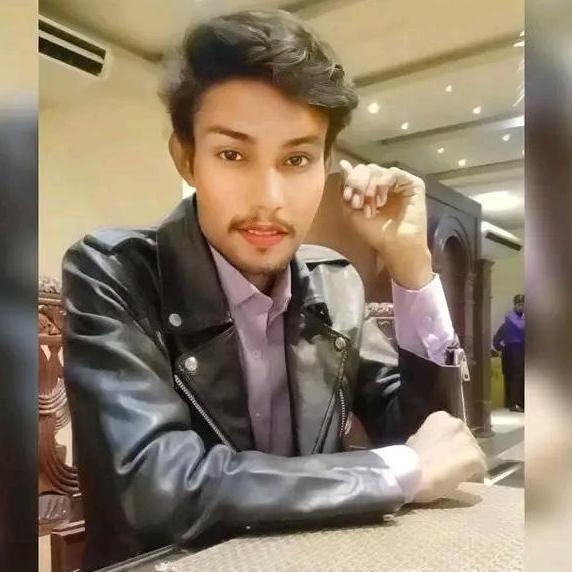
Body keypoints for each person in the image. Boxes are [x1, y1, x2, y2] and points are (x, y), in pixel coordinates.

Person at [62, 10, 486, 570]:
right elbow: (154, 488)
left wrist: (411, 266)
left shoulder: (334, 282)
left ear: (326, 165)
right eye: (232, 154)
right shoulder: (114, 272)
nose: (269, 197)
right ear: (186, 158)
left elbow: (433, 442)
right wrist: (396, 471)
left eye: (297, 159)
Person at [493, 294, 525, 412]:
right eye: (519, 304)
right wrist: (503, 348)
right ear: (515, 305)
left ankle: (517, 403)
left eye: (523, 305)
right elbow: (496, 340)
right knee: (514, 378)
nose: (521, 307)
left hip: (520, 355)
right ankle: (513, 403)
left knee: (519, 378)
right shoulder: (508, 322)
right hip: (512, 355)